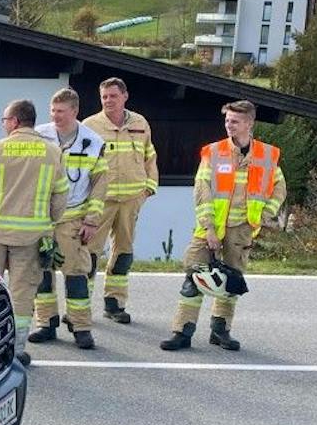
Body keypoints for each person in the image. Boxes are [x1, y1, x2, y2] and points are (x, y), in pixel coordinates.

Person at [160, 100, 286, 352]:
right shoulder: (214, 152)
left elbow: (279, 186)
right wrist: (209, 228)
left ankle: (220, 331)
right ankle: (182, 331)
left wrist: (265, 214)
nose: (229, 125)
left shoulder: (266, 155)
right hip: (209, 227)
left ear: (249, 124)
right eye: (227, 121)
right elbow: (202, 190)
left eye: (235, 121)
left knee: (231, 282)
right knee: (193, 276)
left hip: (241, 228)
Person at [0, 99, 69, 366]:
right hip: (32, 237)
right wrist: (49, 221)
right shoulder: (52, 152)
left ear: (14, 121)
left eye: (5, 120)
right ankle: (14, 350)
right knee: (22, 294)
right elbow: (61, 196)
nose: (4, 125)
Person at [29, 88, 108, 351]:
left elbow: (99, 185)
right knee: (42, 271)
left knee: (76, 274)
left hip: (73, 219)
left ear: (75, 111)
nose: (55, 116)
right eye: (52, 110)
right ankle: (46, 323)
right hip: (42, 218)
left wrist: (92, 220)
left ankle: (81, 327)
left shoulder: (93, 141)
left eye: (61, 111)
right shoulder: (39, 135)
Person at [83, 77, 158, 323]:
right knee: (90, 254)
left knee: (123, 252)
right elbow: (81, 165)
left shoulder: (140, 123)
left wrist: (148, 188)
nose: (108, 101)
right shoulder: (90, 125)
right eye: (104, 96)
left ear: (125, 96)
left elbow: (150, 157)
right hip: (100, 201)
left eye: (113, 96)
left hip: (131, 200)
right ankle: (81, 306)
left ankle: (115, 303)